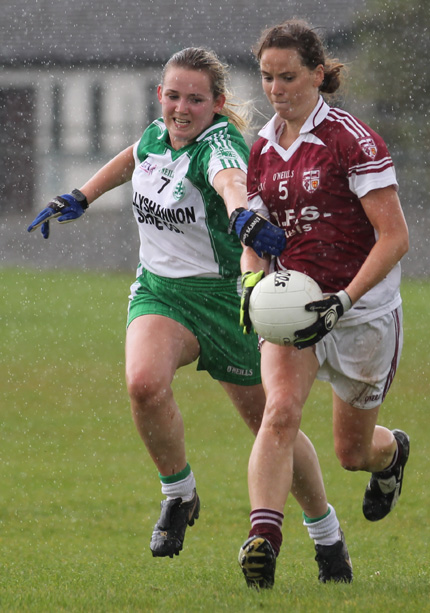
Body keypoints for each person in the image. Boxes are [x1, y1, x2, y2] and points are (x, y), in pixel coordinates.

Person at [27, 47, 343, 578]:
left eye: (195, 99)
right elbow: (134, 156)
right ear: (160, 96)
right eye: (173, 95)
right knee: (144, 384)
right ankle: (179, 492)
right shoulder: (156, 132)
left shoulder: (218, 145)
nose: (181, 108)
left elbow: (230, 183)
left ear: (217, 104)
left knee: (272, 425)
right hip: (161, 292)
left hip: (226, 301)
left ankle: (327, 536)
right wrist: (82, 194)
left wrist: (242, 219)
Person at [233, 19, 410, 589]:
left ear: (317, 73)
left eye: (287, 77)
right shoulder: (261, 149)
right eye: (266, 77)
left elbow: (394, 237)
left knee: (352, 452)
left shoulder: (351, 140)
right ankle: (264, 540)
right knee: (278, 411)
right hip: (294, 307)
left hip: (361, 313)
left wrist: (344, 298)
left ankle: (392, 456)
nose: (275, 89)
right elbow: (254, 238)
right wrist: (252, 285)